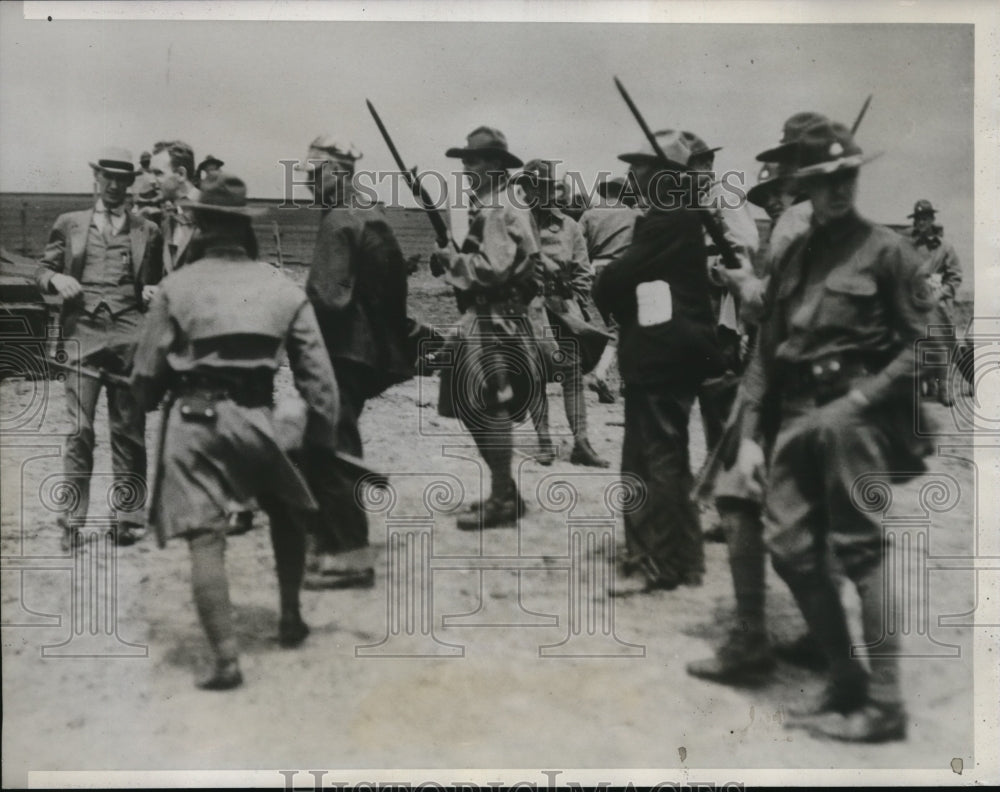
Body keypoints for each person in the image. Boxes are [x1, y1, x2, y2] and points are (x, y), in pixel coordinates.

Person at [731, 119, 933, 741]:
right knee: (790, 548)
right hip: (794, 412)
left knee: (860, 552)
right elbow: (767, 348)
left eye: (848, 176)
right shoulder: (793, 251)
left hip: (854, 414)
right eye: (826, 179)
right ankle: (843, 682)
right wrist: (745, 438)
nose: (839, 189)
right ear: (806, 185)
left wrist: (863, 399)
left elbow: (928, 343)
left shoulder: (886, 250)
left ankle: (884, 702)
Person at [131, 172, 341, 690]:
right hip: (256, 417)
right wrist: (319, 440)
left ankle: (226, 658)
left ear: (199, 224)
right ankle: (290, 616)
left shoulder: (177, 286)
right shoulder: (280, 288)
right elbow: (320, 383)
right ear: (245, 227)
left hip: (194, 421)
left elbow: (144, 373)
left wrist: (148, 398)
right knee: (286, 511)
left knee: (206, 538)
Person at [687, 113, 831, 687]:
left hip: (782, 379)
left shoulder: (798, 221)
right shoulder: (841, 222)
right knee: (791, 514)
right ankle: (823, 635)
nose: (771, 174)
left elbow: (774, 305)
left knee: (742, 504)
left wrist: (741, 284)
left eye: (781, 162)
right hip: (823, 383)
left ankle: (751, 638)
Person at [593, 129, 723, 592]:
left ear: (662, 174)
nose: (631, 174)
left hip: (661, 355)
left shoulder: (667, 218)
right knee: (665, 457)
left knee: (655, 460)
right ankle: (682, 561)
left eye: (639, 166)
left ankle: (658, 562)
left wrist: (605, 279)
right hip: (671, 353)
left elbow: (619, 278)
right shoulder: (680, 215)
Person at [300, 134, 414, 587]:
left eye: (315, 174)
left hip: (341, 349)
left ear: (339, 172)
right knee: (334, 441)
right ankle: (330, 540)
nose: (308, 182)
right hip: (367, 349)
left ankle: (349, 552)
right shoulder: (370, 212)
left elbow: (325, 297)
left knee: (334, 449)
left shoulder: (340, 218)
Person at [35, 146, 162, 550]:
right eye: (107, 177)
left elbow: (153, 283)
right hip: (82, 336)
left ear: (130, 184)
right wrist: (55, 282)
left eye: (121, 179)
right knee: (80, 430)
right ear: (96, 179)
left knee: (129, 430)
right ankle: (72, 520)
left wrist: (152, 292)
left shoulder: (148, 231)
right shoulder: (69, 223)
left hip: (129, 336)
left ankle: (128, 518)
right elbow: (43, 269)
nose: (113, 185)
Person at [430, 126, 547, 529]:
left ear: (496, 165)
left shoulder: (498, 208)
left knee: (486, 401)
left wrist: (450, 260)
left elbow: (490, 270)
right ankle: (505, 490)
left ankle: (502, 497)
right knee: (472, 403)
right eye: (464, 160)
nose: (465, 167)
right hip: (486, 316)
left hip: (494, 318)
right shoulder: (494, 204)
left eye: (474, 160)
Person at [514, 159, 611, 468]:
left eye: (542, 186)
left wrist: (576, 300)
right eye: (530, 186)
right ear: (524, 190)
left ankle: (581, 443)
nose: (536, 193)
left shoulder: (569, 226)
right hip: (527, 312)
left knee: (571, 374)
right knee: (533, 374)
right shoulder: (514, 223)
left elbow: (583, 270)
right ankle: (543, 441)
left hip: (562, 310)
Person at [578, 175, 643, 404]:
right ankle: (602, 374)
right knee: (623, 327)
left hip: (594, 272)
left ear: (606, 193)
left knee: (607, 327)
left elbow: (578, 247)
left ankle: (614, 379)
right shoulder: (635, 215)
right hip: (622, 271)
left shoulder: (589, 214)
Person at [906, 199, 963, 405]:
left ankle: (943, 386)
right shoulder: (908, 245)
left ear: (932, 219)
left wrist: (940, 294)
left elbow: (955, 276)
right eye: (918, 219)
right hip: (915, 301)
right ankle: (920, 383)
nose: (922, 222)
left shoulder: (945, 247)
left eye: (925, 218)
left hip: (938, 303)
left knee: (943, 345)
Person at [149, 140, 201, 274]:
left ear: (181, 174)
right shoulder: (168, 217)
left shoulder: (216, 214)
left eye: (158, 173)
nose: (151, 180)